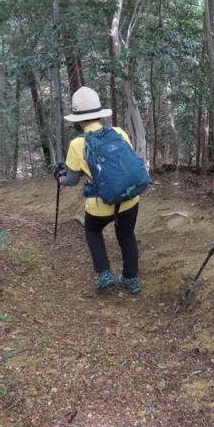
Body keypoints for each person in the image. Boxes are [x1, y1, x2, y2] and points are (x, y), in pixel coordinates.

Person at [55, 86, 142, 294]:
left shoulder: (77, 144)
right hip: (130, 197)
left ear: (77, 119)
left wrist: (59, 177)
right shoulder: (118, 132)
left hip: (100, 204)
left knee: (93, 230)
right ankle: (130, 279)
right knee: (127, 235)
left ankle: (104, 274)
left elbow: (72, 180)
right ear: (99, 115)